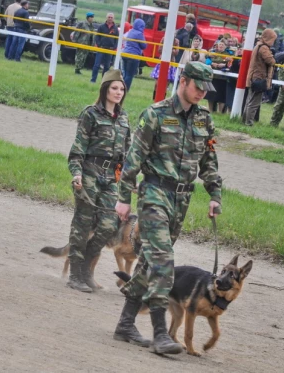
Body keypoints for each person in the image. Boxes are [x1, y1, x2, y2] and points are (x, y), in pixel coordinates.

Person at [113, 61, 222, 354]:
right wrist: (124, 197)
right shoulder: (155, 114)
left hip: (181, 200)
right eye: (197, 86)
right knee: (163, 259)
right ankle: (161, 333)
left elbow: (208, 161)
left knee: (150, 263)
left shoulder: (204, 120)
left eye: (205, 89)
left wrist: (215, 194)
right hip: (153, 194)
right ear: (183, 81)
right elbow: (133, 159)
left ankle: (125, 324)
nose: (201, 93)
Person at [66, 69, 131, 292]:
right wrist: (76, 173)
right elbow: (77, 149)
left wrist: (131, 178)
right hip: (89, 173)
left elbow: (128, 152)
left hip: (111, 177)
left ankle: (86, 268)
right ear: (105, 89)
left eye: (121, 89)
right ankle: (75, 275)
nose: (118, 92)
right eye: (114, 88)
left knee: (109, 225)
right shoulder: (91, 114)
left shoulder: (123, 117)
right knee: (82, 224)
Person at [243, 28, 277, 126]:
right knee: (254, 103)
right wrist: (273, 57)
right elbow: (270, 61)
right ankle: (248, 123)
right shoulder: (264, 48)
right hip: (259, 77)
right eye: (272, 39)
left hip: (253, 76)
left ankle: (244, 120)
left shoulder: (258, 45)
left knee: (249, 100)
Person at [205, 38, 233, 113]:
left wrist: (224, 65)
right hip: (213, 76)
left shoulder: (229, 54)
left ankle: (220, 111)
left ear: (225, 46)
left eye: (222, 45)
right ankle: (210, 110)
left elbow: (230, 63)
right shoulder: (213, 52)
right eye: (220, 44)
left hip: (223, 78)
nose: (221, 46)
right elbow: (207, 60)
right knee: (210, 94)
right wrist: (211, 63)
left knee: (221, 95)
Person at [91, 13, 119, 83]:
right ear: (106, 18)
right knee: (96, 65)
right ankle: (93, 80)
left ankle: (104, 81)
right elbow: (97, 36)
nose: (110, 18)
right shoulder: (101, 27)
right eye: (109, 17)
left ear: (113, 19)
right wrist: (99, 44)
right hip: (101, 48)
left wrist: (114, 47)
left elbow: (117, 39)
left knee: (107, 67)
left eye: (111, 17)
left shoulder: (115, 29)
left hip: (110, 49)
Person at [149, 34, 179, 100]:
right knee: (157, 83)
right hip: (161, 61)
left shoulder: (176, 41)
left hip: (170, 63)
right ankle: (154, 97)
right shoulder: (163, 39)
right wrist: (169, 49)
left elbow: (176, 52)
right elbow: (159, 50)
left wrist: (169, 49)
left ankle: (162, 98)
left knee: (166, 84)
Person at [121, 18, 146, 91]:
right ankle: (125, 90)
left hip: (125, 54)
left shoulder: (130, 31)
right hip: (133, 56)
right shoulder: (139, 34)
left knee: (125, 74)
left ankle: (120, 88)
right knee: (129, 75)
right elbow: (144, 46)